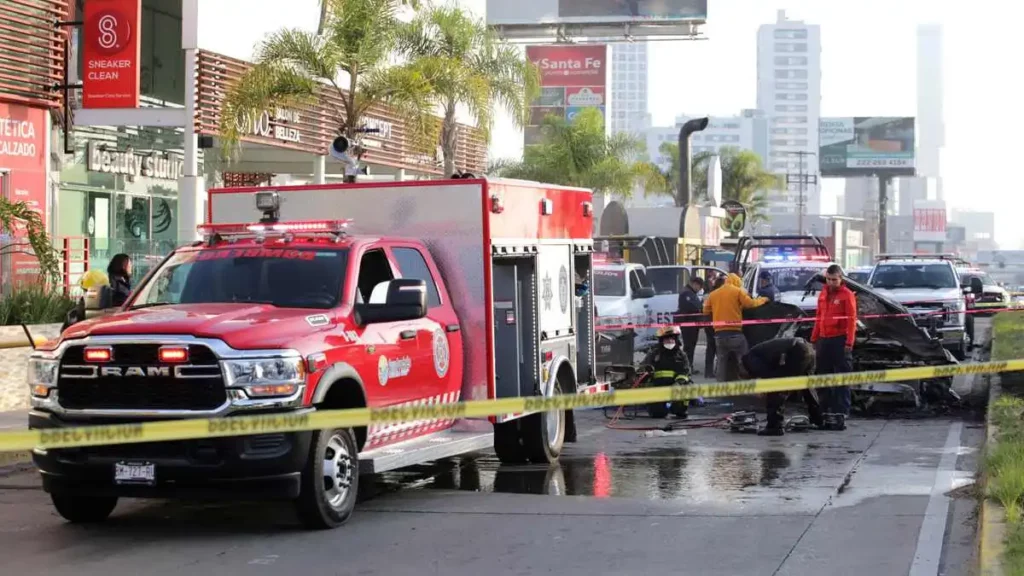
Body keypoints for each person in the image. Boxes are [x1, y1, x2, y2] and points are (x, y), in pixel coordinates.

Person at [738, 337, 824, 436]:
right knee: (807, 386)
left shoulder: (749, 360)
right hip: (807, 348)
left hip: (796, 350)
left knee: (776, 389)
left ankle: (774, 426)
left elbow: (769, 376)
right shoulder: (757, 354)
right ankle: (818, 420)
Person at [811, 264, 857, 431]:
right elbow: (818, 317)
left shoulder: (847, 295)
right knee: (823, 376)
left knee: (842, 377)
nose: (831, 283)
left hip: (840, 339)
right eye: (829, 279)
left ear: (841, 279)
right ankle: (824, 410)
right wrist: (814, 338)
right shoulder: (823, 293)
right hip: (824, 339)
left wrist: (849, 343)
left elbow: (851, 320)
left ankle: (841, 411)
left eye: (834, 280)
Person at [703, 273, 768, 382]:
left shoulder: (713, 294)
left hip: (719, 335)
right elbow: (750, 304)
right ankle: (748, 381)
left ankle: (720, 385)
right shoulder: (737, 291)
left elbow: (706, 311)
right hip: (735, 334)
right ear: (737, 282)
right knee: (744, 359)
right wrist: (763, 300)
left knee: (721, 362)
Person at [639, 326, 692, 418]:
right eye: (667, 340)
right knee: (658, 414)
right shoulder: (654, 354)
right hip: (658, 387)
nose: (670, 342)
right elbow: (643, 369)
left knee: (688, 387)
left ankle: (679, 408)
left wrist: (678, 383)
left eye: (672, 339)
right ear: (661, 341)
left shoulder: (681, 355)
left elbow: (685, 372)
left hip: (676, 387)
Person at [676, 276, 704, 370]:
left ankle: (688, 366)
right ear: (694, 284)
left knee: (690, 346)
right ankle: (686, 367)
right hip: (688, 323)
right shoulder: (687, 293)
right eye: (699, 287)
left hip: (691, 323)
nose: (699, 289)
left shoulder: (691, 292)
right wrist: (701, 307)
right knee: (689, 347)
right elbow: (694, 307)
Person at [703, 274, 726, 377]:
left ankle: (709, 372)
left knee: (711, 348)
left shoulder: (710, 294)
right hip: (715, 323)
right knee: (717, 348)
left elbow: (704, 310)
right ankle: (719, 371)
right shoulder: (718, 295)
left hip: (709, 323)